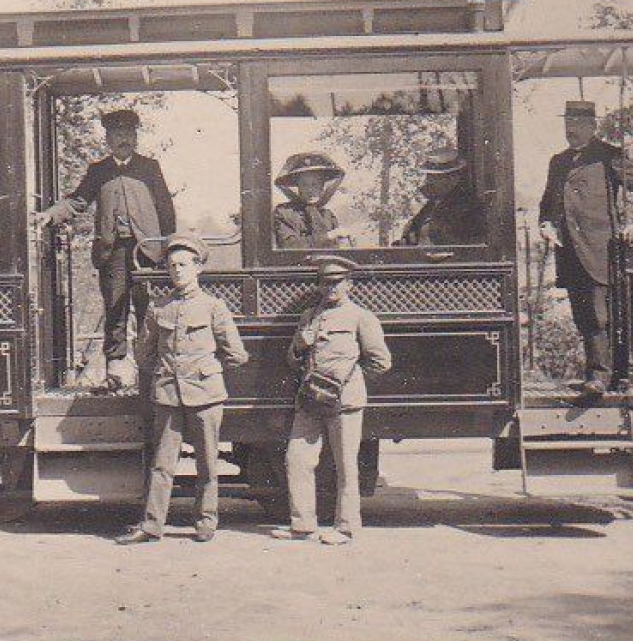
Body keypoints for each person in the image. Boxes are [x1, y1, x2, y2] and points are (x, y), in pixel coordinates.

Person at [117, 232, 249, 544]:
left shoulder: (214, 307)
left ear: (198, 268)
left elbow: (236, 353)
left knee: (207, 463)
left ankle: (205, 522)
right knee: (162, 464)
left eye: (184, 265)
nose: (177, 270)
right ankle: (151, 525)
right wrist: (168, 372)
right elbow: (144, 353)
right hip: (167, 393)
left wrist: (206, 370)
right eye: (172, 265)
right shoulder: (158, 308)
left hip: (205, 395)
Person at [35, 109, 176, 387]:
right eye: (117, 134)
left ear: (135, 137)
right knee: (115, 307)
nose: (124, 139)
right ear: (108, 139)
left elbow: (166, 210)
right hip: (113, 253)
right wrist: (49, 214)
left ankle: (152, 371)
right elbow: (77, 201)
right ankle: (118, 372)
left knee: (149, 308)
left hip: (148, 250)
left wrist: (168, 247)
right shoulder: (98, 171)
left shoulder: (150, 167)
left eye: (128, 133)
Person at [538, 100, 633, 397]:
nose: (571, 131)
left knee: (600, 315)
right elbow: (546, 205)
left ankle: (603, 377)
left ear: (593, 126)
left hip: (600, 250)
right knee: (583, 316)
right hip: (568, 252)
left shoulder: (609, 158)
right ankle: (595, 374)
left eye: (578, 125)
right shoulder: (558, 162)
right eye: (568, 125)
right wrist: (546, 225)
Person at [273, 254, 392, 546]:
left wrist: (350, 380)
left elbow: (381, 361)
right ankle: (302, 525)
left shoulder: (361, 318)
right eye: (325, 283)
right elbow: (291, 360)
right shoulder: (309, 317)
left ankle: (347, 527)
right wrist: (300, 345)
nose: (331, 288)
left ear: (349, 284)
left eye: (337, 282)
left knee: (345, 464)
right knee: (297, 459)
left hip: (344, 402)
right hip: (311, 400)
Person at [399, 144, 486, 247]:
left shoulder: (468, 207)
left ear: (454, 178)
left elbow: (461, 246)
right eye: (428, 176)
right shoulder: (431, 205)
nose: (428, 181)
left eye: (436, 177)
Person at [272, 152, 346, 250]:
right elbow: (290, 246)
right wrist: (328, 236)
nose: (310, 190)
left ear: (322, 187)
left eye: (315, 184)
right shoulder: (284, 213)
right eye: (305, 184)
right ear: (298, 187)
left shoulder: (327, 215)